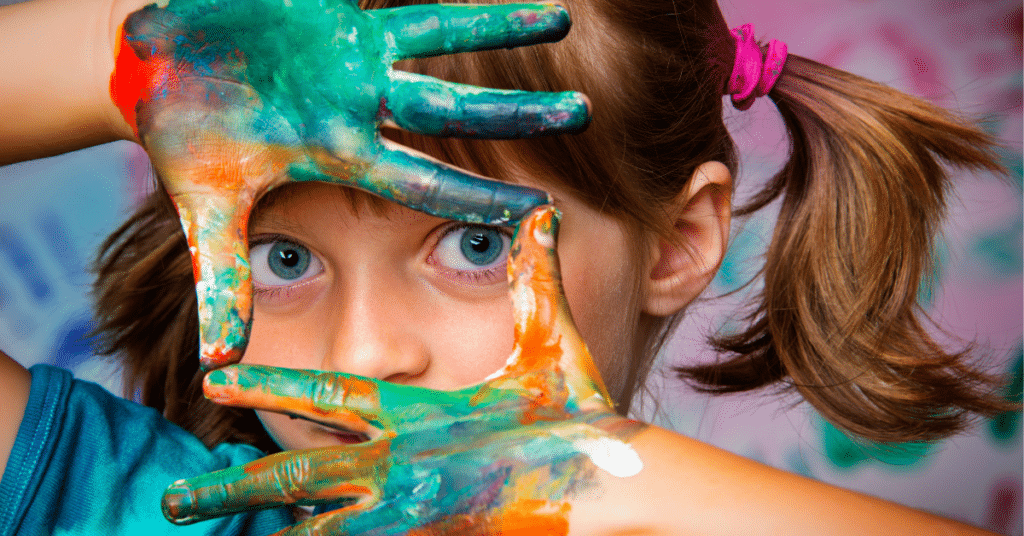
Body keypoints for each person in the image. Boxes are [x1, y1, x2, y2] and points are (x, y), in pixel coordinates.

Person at [0, 0, 1015, 534]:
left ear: (677, 241)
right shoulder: (124, 508)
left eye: (474, 245)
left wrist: (599, 481)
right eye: (284, 255)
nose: (367, 350)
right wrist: (150, 53)